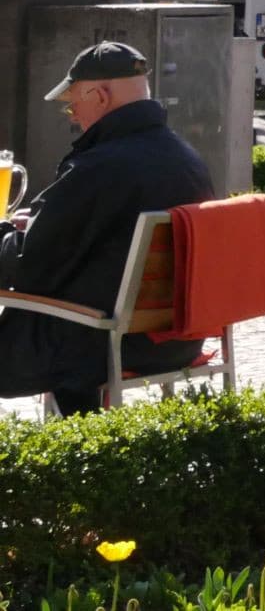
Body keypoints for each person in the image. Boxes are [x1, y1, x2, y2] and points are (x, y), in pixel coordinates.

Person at [0, 42, 214, 413]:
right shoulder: (186, 156)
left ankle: (79, 437)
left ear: (99, 96)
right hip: (176, 337)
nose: (73, 118)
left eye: (73, 106)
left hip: (100, 340)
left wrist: (5, 232)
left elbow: (27, 264)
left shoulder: (99, 165)